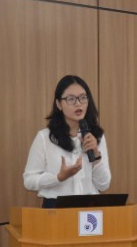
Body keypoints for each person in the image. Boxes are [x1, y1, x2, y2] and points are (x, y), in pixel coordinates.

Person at [23, 75, 111, 208]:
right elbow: (29, 181)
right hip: (56, 208)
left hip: (89, 209)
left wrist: (96, 155)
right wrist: (58, 178)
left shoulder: (96, 136)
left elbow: (103, 185)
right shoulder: (45, 137)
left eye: (83, 97)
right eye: (71, 99)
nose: (78, 103)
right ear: (59, 104)